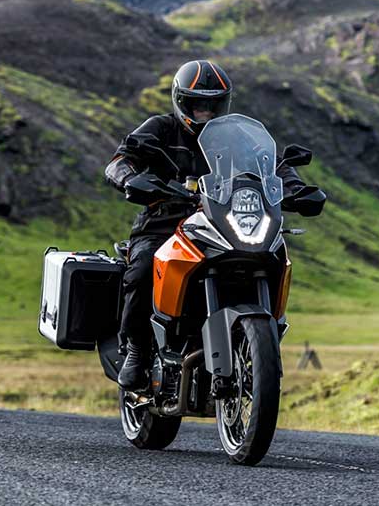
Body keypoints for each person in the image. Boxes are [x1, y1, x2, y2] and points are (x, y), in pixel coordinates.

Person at [103, 60, 306, 389]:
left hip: (223, 221)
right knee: (142, 269)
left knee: (273, 256)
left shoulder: (239, 137)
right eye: (198, 105)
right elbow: (120, 160)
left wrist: (295, 189)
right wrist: (130, 178)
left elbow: (275, 164)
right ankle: (137, 351)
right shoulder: (160, 129)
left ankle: (260, 347)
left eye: (214, 105)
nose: (206, 113)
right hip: (165, 223)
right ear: (181, 101)